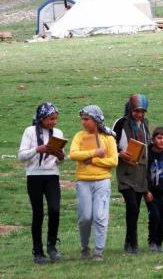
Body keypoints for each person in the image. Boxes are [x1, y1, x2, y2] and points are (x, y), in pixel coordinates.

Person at [69, 105, 118, 261]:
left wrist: (94, 160)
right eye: (82, 119)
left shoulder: (108, 138)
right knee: (85, 217)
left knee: (100, 216)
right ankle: (84, 247)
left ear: (96, 120)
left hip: (103, 181)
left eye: (86, 119)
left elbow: (114, 161)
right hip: (83, 181)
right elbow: (73, 154)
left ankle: (98, 250)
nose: (83, 122)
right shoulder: (79, 136)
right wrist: (94, 152)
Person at [18, 102, 65, 264]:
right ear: (42, 118)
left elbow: (60, 161)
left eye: (55, 119)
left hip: (52, 175)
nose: (54, 122)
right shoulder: (29, 132)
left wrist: (60, 156)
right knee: (38, 213)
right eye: (51, 119)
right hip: (34, 176)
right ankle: (37, 251)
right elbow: (21, 156)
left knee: (54, 209)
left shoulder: (57, 132)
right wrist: (38, 149)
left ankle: (52, 246)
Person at [112, 94, 150, 255]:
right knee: (132, 207)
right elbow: (111, 144)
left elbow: (147, 143)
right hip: (126, 173)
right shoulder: (120, 123)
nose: (139, 115)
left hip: (141, 172)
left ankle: (129, 242)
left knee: (136, 210)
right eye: (136, 111)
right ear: (130, 109)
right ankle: (133, 243)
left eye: (142, 111)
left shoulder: (145, 124)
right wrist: (120, 153)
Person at [145, 127, 163, 253]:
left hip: (162, 192)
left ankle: (160, 243)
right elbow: (144, 174)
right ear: (153, 139)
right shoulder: (148, 155)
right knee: (154, 216)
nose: (162, 141)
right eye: (159, 138)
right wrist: (146, 191)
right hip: (151, 192)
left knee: (162, 218)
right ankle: (152, 242)